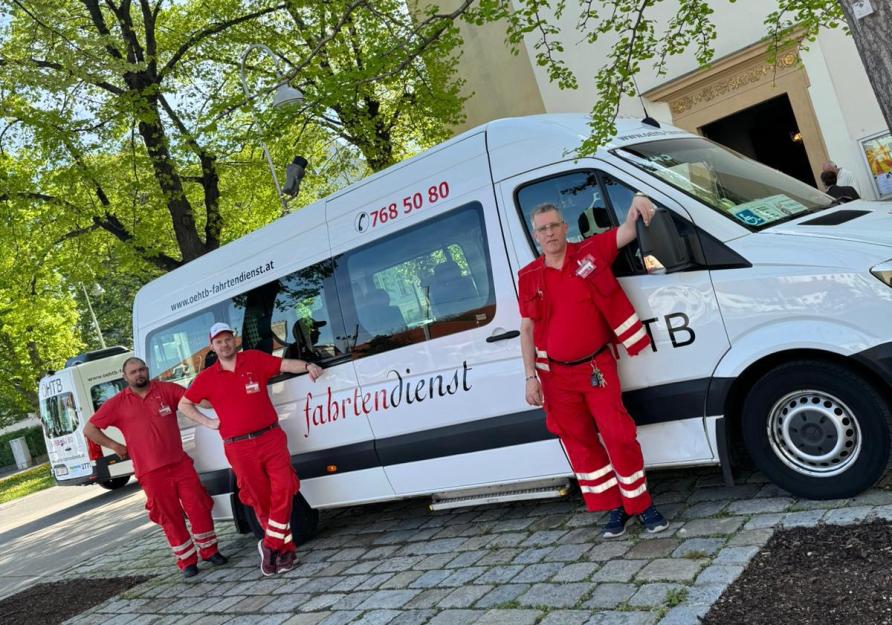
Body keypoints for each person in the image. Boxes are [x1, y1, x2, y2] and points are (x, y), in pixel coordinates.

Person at [518, 197, 669, 539]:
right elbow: (526, 330)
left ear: (565, 226)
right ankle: (613, 507)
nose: (550, 233)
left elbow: (628, 232)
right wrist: (530, 377)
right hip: (555, 376)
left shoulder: (590, 252)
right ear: (535, 235)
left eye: (554, 225)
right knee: (581, 444)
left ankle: (641, 505)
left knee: (618, 435)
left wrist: (638, 202)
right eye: (543, 229)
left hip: (595, 367)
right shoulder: (527, 276)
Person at [178, 322, 324, 576]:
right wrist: (209, 422)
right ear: (212, 346)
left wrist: (308, 365)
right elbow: (184, 404)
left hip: (270, 438)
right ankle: (285, 551)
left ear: (235, 340)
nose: (224, 345)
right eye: (218, 341)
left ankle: (269, 545)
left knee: (285, 486)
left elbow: (284, 365)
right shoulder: (207, 378)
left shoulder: (253, 359)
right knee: (259, 499)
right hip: (238, 447)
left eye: (227, 339)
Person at [84, 357, 227, 578]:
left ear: (147, 370)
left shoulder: (166, 390)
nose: (139, 374)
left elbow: (194, 399)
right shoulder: (117, 403)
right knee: (168, 516)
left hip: (180, 464)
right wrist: (115, 446)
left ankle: (210, 551)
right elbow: (90, 429)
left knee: (198, 505)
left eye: (142, 369)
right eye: (133, 372)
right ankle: (186, 561)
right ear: (125, 377)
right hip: (150, 472)